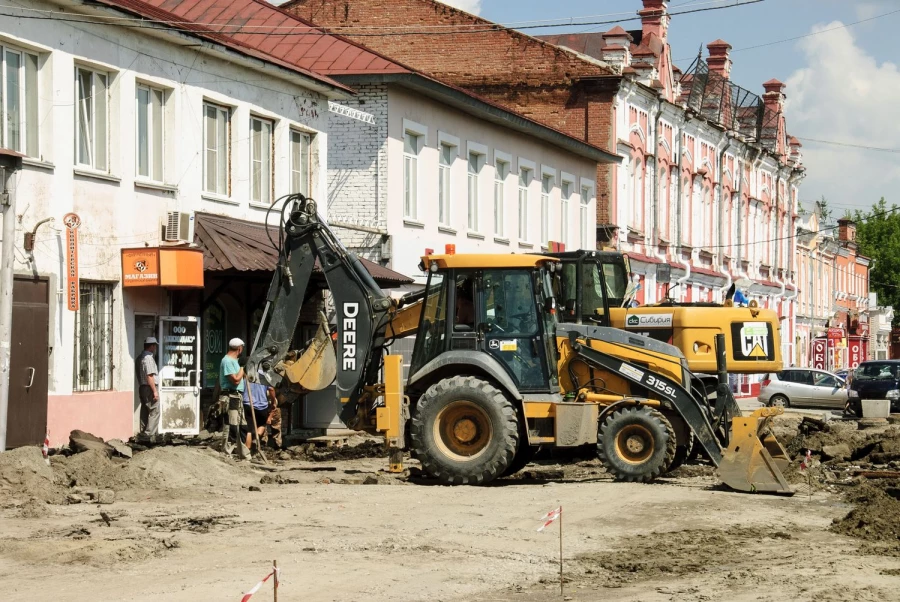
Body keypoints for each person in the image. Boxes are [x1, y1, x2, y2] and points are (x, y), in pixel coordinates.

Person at [220, 338, 249, 459]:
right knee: (231, 424)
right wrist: (242, 367)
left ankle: (244, 454)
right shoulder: (227, 361)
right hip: (230, 396)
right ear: (239, 348)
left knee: (241, 425)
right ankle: (227, 452)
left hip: (237, 396)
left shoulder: (235, 361)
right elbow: (236, 380)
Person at [136, 337, 160, 439]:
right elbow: (149, 376)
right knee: (154, 411)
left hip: (142, 387)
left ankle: (144, 433)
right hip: (149, 387)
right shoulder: (148, 358)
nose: (155, 348)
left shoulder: (140, 357)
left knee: (145, 411)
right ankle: (149, 435)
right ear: (151, 346)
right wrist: (155, 391)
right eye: (155, 346)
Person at [242, 379, 273, 452]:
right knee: (262, 425)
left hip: (248, 404)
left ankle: (247, 451)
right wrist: (273, 400)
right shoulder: (264, 377)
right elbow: (271, 389)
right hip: (262, 406)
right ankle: (256, 438)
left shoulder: (246, 378)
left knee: (248, 430)